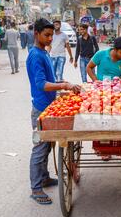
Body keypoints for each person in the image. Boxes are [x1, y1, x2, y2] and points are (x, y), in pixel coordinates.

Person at [26, 18, 81, 205]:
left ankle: (45, 177)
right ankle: (36, 188)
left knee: (48, 147)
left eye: (51, 35)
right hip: (41, 109)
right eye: (46, 35)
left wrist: (62, 87)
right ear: (36, 34)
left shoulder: (43, 52)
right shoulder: (36, 55)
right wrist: (64, 84)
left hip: (49, 106)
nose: (50, 38)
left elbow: (50, 79)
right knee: (40, 149)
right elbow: (41, 84)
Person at [87, 37, 121, 165]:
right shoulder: (100, 54)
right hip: (101, 94)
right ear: (115, 49)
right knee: (103, 122)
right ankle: (105, 150)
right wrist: (95, 81)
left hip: (117, 95)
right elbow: (89, 67)